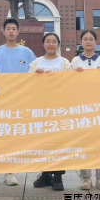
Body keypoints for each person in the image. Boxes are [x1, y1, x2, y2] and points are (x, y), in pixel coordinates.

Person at [0, 18, 36, 187]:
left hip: (19, 100)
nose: (11, 31)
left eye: (13, 29)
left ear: (18, 32)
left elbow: (35, 71)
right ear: (3, 31)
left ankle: (9, 172)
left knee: (12, 136)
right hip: (0, 100)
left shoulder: (27, 52)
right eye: (8, 28)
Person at [29, 32, 72, 191]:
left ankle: (58, 176)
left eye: (54, 41)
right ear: (43, 44)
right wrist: (36, 77)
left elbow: (70, 83)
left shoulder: (65, 63)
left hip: (60, 108)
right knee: (44, 142)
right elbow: (28, 84)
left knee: (58, 143)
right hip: (41, 108)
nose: (51, 44)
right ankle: (46, 174)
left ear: (58, 44)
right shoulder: (36, 63)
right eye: (48, 41)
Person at [70, 30, 100, 191]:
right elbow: (68, 83)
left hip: (99, 107)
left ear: (96, 42)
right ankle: (86, 178)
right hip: (81, 107)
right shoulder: (74, 61)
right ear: (81, 42)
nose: (88, 41)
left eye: (91, 39)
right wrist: (75, 75)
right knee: (84, 143)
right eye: (85, 39)